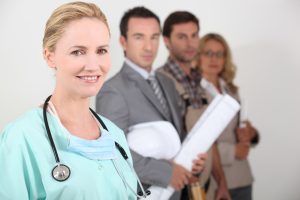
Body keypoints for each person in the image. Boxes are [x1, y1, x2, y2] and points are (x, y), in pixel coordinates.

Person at [0, 2, 146, 199]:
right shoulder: (21, 138)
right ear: (50, 56)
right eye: (78, 51)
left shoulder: (114, 135)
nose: (93, 66)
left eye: (101, 50)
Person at [95, 6, 207, 200]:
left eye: (154, 37)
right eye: (139, 37)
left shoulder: (166, 82)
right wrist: (166, 173)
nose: (149, 47)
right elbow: (112, 151)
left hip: (176, 193)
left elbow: (176, 137)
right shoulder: (112, 90)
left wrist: (192, 160)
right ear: (123, 42)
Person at [158, 11, 231, 200]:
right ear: (167, 41)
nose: (190, 43)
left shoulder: (199, 81)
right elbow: (161, 145)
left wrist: (221, 183)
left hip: (201, 187)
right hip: (176, 188)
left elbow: (209, 138)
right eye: (182, 37)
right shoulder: (159, 83)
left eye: (194, 35)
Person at [194, 33, 259, 200]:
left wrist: (250, 134)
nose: (213, 59)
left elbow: (239, 129)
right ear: (198, 56)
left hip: (242, 176)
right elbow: (195, 140)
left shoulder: (231, 89)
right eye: (208, 53)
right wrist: (232, 151)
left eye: (219, 54)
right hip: (214, 181)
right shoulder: (192, 92)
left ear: (225, 59)